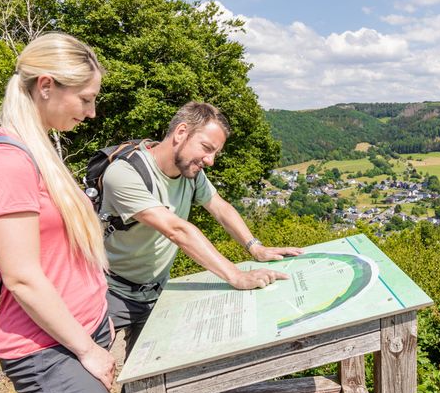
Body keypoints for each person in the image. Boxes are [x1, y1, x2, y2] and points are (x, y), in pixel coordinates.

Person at [0, 33, 121, 393]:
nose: (92, 113)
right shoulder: (7, 162)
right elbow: (22, 277)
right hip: (47, 348)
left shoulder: (38, 151)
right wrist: (87, 348)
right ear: (46, 86)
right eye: (85, 99)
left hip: (80, 331)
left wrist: (99, 315)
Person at [101, 101, 303, 358]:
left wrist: (256, 248)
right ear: (181, 132)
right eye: (207, 148)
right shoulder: (125, 174)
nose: (210, 160)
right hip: (108, 290)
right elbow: (176, 230)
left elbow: (219, 207)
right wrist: (236, 276)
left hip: (155, 290)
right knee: (88, 372)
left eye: (215, 153)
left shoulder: (191, 173)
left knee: (145, 382)